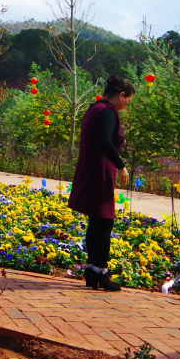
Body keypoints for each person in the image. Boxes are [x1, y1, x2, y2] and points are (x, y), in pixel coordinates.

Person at [68, 75, 135, 292]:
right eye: (127, 100)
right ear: (121, 95)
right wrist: (121, 165)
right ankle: (101, 271)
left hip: (89, 168)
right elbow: (105, 142)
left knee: (95, 222)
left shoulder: (93, 108)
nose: (126, 105)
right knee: (104, 222)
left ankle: (91, 270)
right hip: (100, 170)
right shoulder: (107, 112)